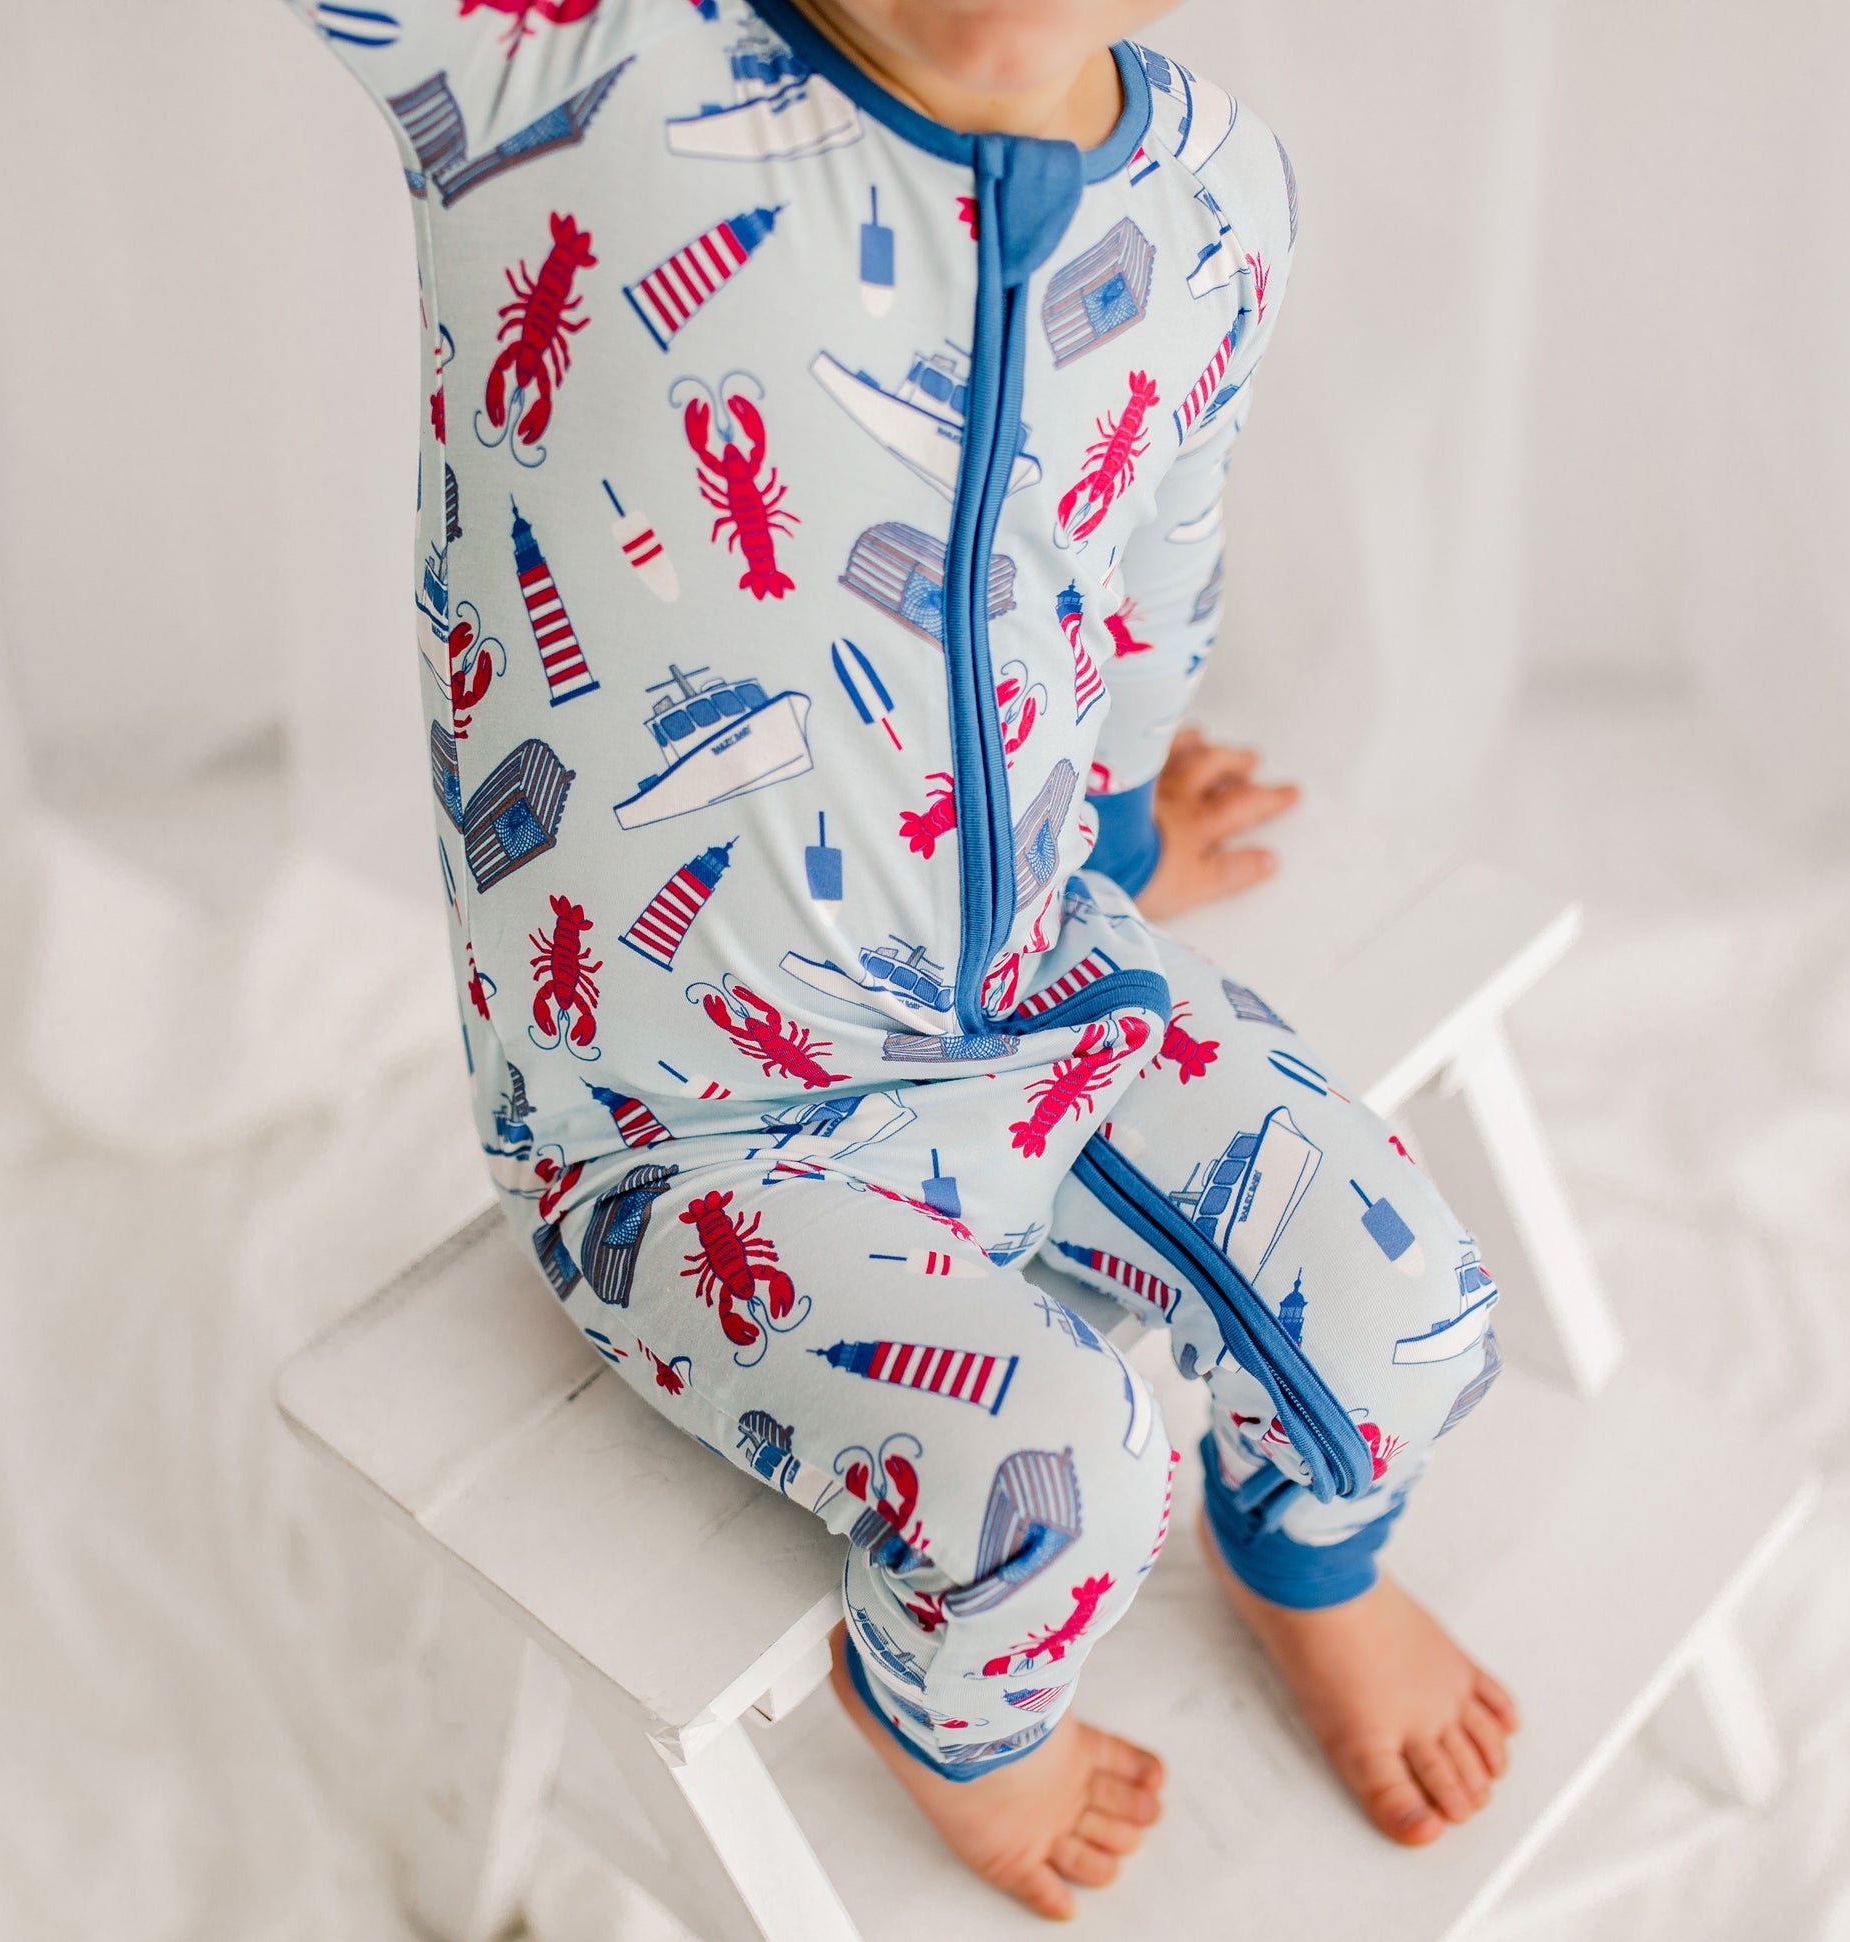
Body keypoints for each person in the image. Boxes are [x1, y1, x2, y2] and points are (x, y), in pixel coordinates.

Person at [286, 0, 1517, 1916]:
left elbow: (1148, 549)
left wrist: (1106, 826)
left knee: (1410, 1303)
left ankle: (1307, 1558)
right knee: (1063, 1474)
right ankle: (956, 1721)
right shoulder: (571, 64)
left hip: (1040, 983)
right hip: (687, 1122)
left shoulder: (1214, 197)